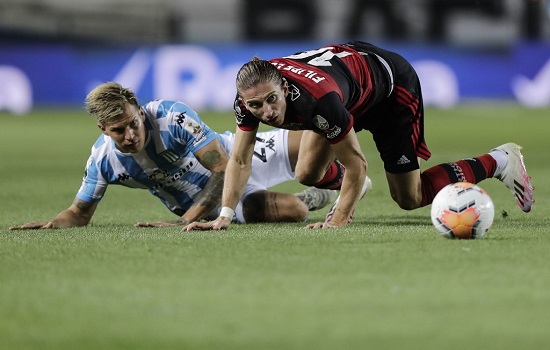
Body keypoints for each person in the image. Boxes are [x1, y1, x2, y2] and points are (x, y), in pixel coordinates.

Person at [184, 40, 534, 231]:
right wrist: (224, 216)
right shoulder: (250, 99)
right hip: (347, 84)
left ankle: (499, 160)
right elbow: (240, 159)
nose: (266, 113)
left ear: (285, 87)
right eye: (256, 106)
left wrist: (337, 220)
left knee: (409, 197)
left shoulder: (318, 102)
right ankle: (351, 194)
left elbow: (357, 163)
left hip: (389, 90)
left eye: (271, 101)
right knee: (307, 173)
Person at [9, 82, 340, 230]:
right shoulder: (103, 161)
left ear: (140, 111)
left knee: (313, 132)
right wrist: (54, 223)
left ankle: (344, 175)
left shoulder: (173, 118)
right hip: (213, 201)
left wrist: (185, 220)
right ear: (102, 130)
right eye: (118, 131)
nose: (130, 135)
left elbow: (225, 168)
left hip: (231, 161)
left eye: (133, 124)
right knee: (294, 210)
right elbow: (79, 214)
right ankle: (316, 196)